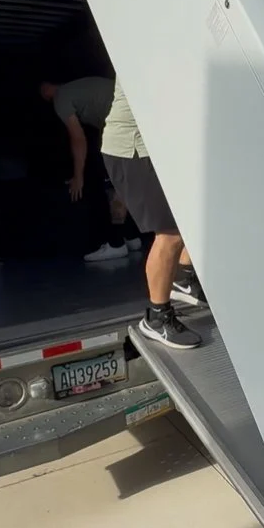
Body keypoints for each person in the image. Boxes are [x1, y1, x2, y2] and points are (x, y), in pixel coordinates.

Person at [102, 76, 207, 350]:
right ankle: (156, 318)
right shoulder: (149, 54)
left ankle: (183, 278)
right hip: (133, 149)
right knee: (170, 233)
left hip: (157, 145)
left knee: (192, 218)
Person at [40, 77, 142, 261]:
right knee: (124, 179)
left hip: (124, 123)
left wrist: (78, 176)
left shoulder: (61, 98)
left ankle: (116, 244)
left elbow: (78, 139)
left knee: (113, 183)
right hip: (135, 115)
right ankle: (130, 236)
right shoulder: (80, 90)